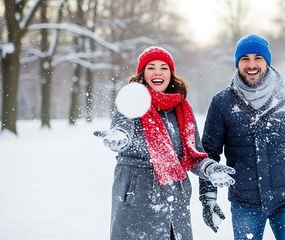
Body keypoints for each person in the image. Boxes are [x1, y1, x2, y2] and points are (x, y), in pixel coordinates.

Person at [199, 34, 285, 240]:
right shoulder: (222, 103)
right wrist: (208, 198)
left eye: (257, 58)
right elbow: (209, 153)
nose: (251, 64)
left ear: (266, 61)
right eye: (245, 58)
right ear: (237, 63)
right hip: (244, 203)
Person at [94, 46, 235, 240]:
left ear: (171, 74)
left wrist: (210, 169)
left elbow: (194, 154)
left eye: (164, 67)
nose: (158, 72)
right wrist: (118, 139)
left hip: (175, 202)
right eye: (151, 67)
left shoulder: (182, 109)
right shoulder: (132, 101)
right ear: (143, 73)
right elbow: (122, 129)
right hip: (138, 200)